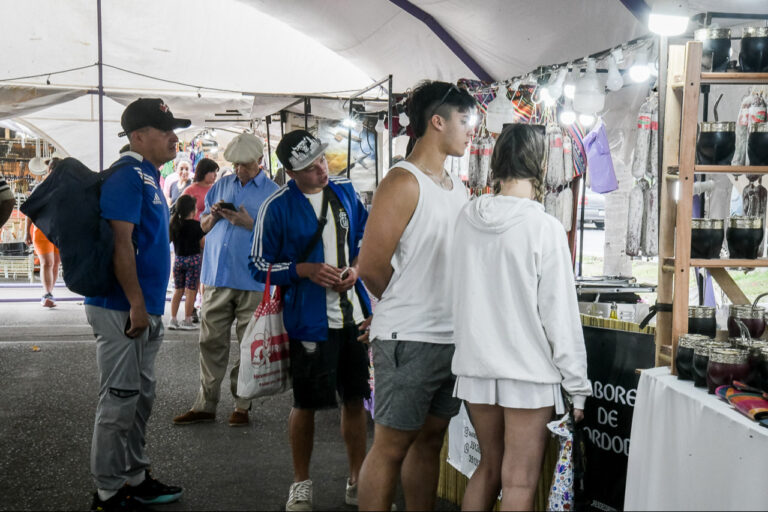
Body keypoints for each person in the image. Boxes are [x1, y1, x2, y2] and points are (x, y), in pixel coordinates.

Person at [451, 124, 591, 511]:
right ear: (542, 164)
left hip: (475, 369)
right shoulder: (544, 228)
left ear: (495, 162)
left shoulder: (465, 218)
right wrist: (577, 386)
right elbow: (560, 317)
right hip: (527, 375)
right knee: (519, 483)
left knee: (486, 469)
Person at [356, 81, 476, 511]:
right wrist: (398, 306)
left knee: (429, 442)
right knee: (390, 447)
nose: (471, 130)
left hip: (451, 339)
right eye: (465, 120)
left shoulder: (456, 188)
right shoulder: (402, 181)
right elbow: (370, 265)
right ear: (437, 121)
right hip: (408, 338)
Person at [250, 129, 372, 511]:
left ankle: (358, 479)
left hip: (353, 317)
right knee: (305, 404)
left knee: (355, 400)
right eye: (309, 166)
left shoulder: (346, 192)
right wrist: (301, 269)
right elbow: (257, 265)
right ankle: (300, 482)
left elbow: (368, 238)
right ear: (290, 171)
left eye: (322, 159)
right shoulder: (277, 206)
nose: (321, 169)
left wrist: (356, 268)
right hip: (308, 322)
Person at [84, 97, 190, 511]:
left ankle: (135, 476)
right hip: (122, 308)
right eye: (165, 132)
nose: (173, 139)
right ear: (138, 137)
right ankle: (108, 491)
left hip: (141, 309)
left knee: (139, 398)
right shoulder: (127, 177)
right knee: (119, 400)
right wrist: (136, 303)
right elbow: (120, 244)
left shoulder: (148, 176)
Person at [173, 132, 278, 427]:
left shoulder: (273, 192)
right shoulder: (222, 184)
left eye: (244, 165)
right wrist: (215, 216)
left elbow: (282, 238)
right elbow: (203, 225)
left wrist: (250, 223)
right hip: (217, 276)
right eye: (235, 165)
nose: (239, 170)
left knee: (248, 345)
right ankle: (205, 403)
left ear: (259, 161)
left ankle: (242, 405)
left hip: (254, 279)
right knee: (210, 341)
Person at [25, 157, 62, 308]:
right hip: (42, 230)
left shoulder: (64, 188)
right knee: (48, 263)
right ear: (50, 170)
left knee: (55, 264)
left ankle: (49, 294)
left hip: (59, 230)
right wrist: (26, 232)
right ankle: (47, 294)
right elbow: (29, 210)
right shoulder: (40, 187)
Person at [168, 194, 204, 330]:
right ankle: (187, 320)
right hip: (193, 260)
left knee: (177, 290)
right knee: (190, 291)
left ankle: (173, 319)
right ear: (192, 210)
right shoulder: (196, 225)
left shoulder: (174, 224)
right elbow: (203, 244)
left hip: (178, 260)